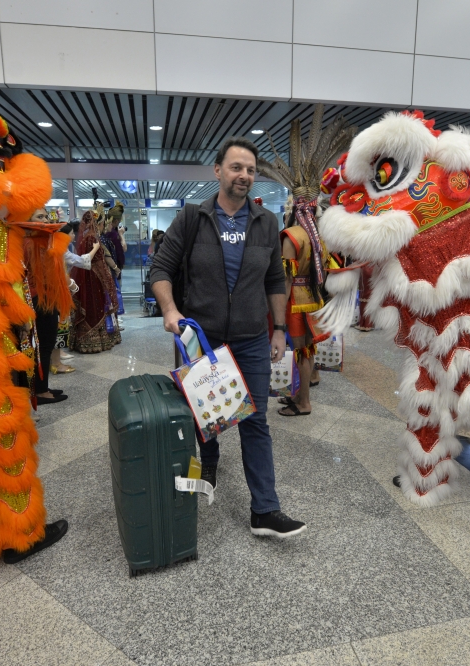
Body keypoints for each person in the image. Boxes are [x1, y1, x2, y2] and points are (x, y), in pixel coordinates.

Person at [150, 136, 306, 539]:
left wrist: (277, 330)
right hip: (200, 338)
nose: (245, 176)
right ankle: (210, 460)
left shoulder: (266, 222)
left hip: (252, 338)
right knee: (205, 417)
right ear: (218, 171)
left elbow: (275, 279)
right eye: (237, 167)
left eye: (251, 170)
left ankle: (265, 511)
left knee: (255, 419)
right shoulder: (192, 217)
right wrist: (170, 310)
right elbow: (161, 269)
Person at [277, 198, 330, 417]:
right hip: (313, 299)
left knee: (301, 352)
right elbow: (324, 272)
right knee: (307, 351)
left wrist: (278, 313)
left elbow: (287, 280)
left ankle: (304, 402)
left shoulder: (291, 236)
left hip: (296, 304)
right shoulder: (318, 236)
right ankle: (299, 395)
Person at [22, 208, 74, 404]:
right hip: (39, 300)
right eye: (39, 217)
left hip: (46, 298)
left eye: (46, 216)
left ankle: (42, 387)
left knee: (45, 344)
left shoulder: (41, 242)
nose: (45, 220)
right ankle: (40, 392)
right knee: (43, 345)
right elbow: (42, 275)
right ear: (28, 220)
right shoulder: (30, 244)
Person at [70, 205, 121, 353]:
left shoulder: (86, 237)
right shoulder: (92, 237)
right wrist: (106, 277)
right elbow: (95, 260)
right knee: (96, 306)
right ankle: (95, 340)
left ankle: (87, 339)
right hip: (94, 277)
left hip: (90, 276)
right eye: (103, 221)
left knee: (93, 306)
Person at [53, 221, 98, 373]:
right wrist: (95, 249)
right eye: (72, 233)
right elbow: (81, 261)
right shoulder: (61, 251)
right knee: (60, 322)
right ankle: (56, 360)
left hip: (62, 288)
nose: (74, 235)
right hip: (60, 289)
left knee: (62, 321)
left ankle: (58, 355)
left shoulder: (63, 249)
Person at [103, 203, 126, 325]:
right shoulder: (113, 235)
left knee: (113, 293)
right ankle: (114, 318)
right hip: (113, 268)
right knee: (114, 293)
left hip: (113, 268)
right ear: (117, 220)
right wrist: (122, 236)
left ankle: (114, 318)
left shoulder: (109, 233)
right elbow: (123, 249)